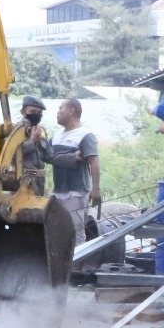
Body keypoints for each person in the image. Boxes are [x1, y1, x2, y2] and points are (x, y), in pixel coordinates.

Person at [50, 98, 102, 240]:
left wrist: (96, 189)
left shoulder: (85, 135)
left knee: (75, 232)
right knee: (56, 231)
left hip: (76, 192)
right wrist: (71, 157)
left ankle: (77, 262)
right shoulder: (56, 136)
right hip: (58, 192)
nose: (57, 112)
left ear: (71, 111)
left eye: (61, 108)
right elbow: (48, 156)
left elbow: (94, 162)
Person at [18, 95, 53, 194]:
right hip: (23, 182)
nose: (36, 115)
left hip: (39, 182)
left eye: (39, 113)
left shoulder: (41, 131)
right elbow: (12, 157)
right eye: (33, 112)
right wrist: (32, 141)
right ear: (23, 112)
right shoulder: (14, 132)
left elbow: (50, 156)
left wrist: (73, 157)